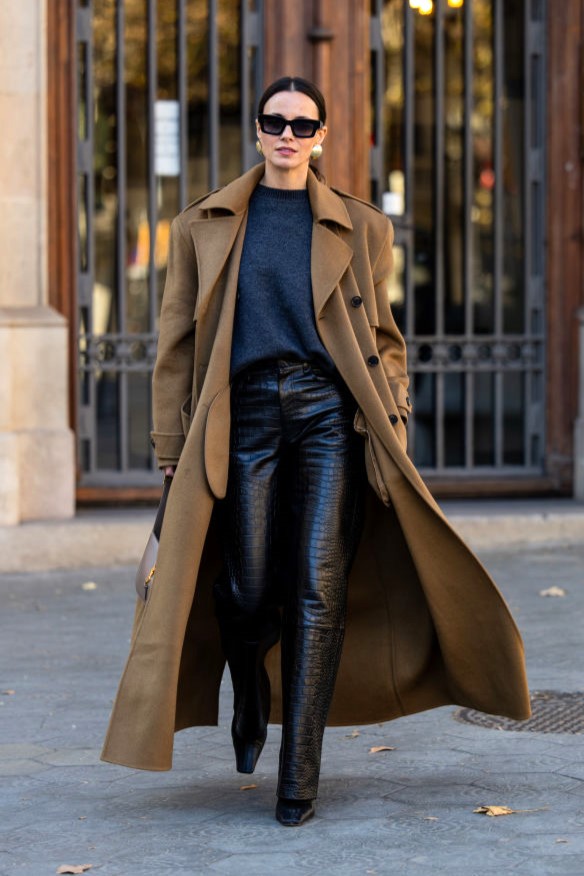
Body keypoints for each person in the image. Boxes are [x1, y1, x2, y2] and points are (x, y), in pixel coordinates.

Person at [101, 76, 530, 826]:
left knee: (315, 589)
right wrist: (171, 447)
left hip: (330, 413)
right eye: (275, 122)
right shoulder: (205, 224)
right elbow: (175, 347)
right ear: (259, 133)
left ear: (323, 136)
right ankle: (251, 692)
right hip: (243, 415)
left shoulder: (361, 229)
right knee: (245, 586)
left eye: (303, 124)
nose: (288, 135)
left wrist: (389, 416)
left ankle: (298, 778)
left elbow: (387, 342)